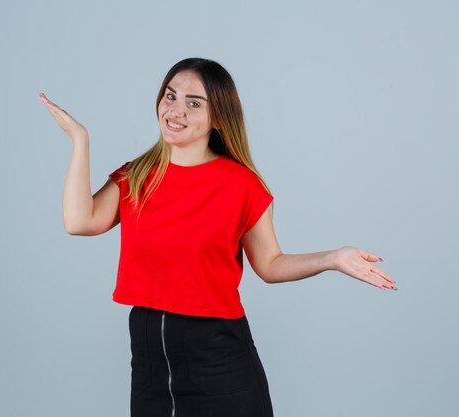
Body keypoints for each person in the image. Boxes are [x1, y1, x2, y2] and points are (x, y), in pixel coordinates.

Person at [38, 57, 396, 417]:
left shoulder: (242, 185)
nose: (175, 110)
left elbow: (270, 264)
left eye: (194, 103)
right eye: (170, 96)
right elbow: (78, 221)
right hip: (150, 373)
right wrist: (80, 140)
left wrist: (333, 258)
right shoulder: (137, 175)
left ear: (218, 118)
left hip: (221, 366)